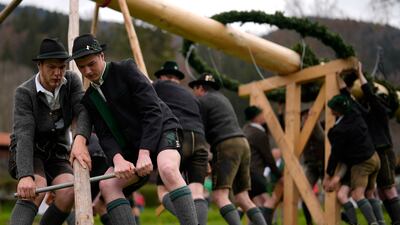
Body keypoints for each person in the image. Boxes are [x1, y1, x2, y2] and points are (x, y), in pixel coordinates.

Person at [70, 34, 198, 225]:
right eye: (81, 67)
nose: (87, 71)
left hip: (163, 129)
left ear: (102, 56)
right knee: (107, 184)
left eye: (91, 63)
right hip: (131, 147)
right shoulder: (89, 98)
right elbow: (105, 134)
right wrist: (118, 159)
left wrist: (145, 152)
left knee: (168, 168)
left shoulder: (126, 69)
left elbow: (153, 111)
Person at [8, 38, 91, 225]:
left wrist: (79, 139)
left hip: (58, 151)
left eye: (61, 67)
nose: (57, 73)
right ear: (40, 65)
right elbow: (24, 135)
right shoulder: (24, 93)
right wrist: (25, 175)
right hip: (31, 150)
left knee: (69, 189)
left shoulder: (72, 81)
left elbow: (83, 111)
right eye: (51, 67)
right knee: (37, 187)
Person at [189, 73, 267, 225]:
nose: (194, 93)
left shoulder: (202, 101)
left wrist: (203, 158)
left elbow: (200, 132)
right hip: (243, 143)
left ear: (200, 88)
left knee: (220, 195)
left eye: (194, 88)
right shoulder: (223, 99)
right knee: (243, 197)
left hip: (226, 145)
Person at [153, 61, 209, 225]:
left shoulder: (157, 86)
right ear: (177, 79)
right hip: (199, 138)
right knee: (197, 192)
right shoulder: (189, 94)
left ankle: (190, 220)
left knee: (162, 190)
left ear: (162, 76)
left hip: (177, 133)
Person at [325, 93, 383, 225]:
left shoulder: (340, 130)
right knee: (369, 193)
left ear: (337, 111)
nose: (330, 110)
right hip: (375, 158)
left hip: (361, 163)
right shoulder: (355, 113)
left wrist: (328, 175)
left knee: (358, 195)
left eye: (332, 108)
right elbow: (351, 101)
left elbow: (335, 155)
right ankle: (381, 222)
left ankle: (373, 224)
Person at [353, 63, 400, 225]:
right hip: (375, 154)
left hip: (385, 152)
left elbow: (370, 95)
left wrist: (359, 73)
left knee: (389, 188)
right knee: (380, 190)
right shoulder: (367, 114)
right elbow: (355, 105)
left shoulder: (380, 110)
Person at [242, 105, 282, 225]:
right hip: (255, 173)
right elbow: (268, 157)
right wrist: (279, 175)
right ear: (257, 117)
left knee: (253, 203)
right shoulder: (259, 133)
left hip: (245, 173)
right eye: (262, 114)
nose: (264, 116)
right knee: (268, 201)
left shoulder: (245, 130)